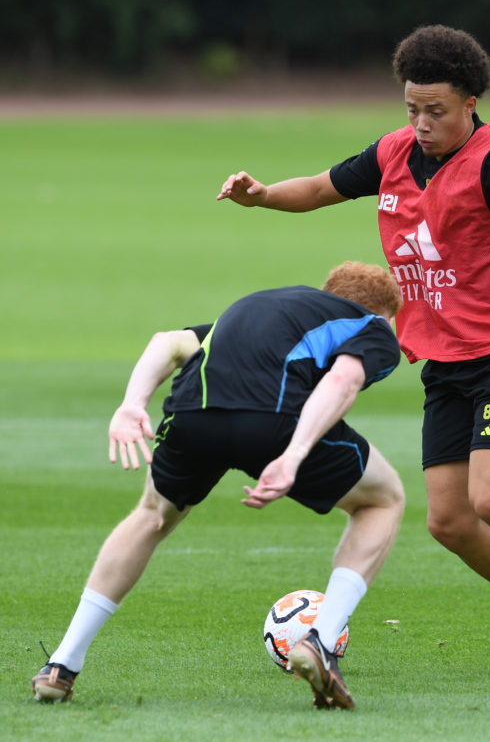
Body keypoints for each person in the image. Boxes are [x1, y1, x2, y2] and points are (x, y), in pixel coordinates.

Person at [217, 25, 490, 672]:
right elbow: (320, 186)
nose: (421, 123)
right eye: (412, 109)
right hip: (444, 358)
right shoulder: (392, 153)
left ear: (470, 102)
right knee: (449, 520)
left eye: (435, 111)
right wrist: (262, 196)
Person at [31, 261, 406, 710]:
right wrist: (293, 456)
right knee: (383, 501)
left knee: (151, 516)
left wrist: (132, 404)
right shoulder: (372, 326)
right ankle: (321, 642)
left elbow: (166, 344)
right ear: (383, 315)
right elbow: (345, 379)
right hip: (273, 423)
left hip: (192, 414)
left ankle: (61, 665)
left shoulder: (265, 307)